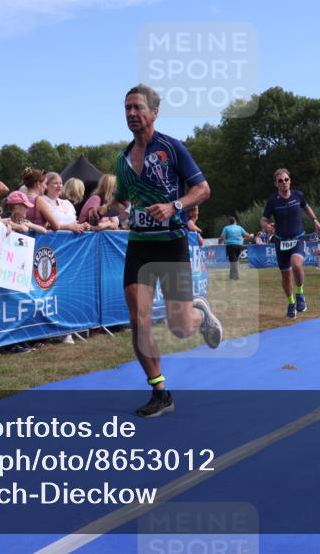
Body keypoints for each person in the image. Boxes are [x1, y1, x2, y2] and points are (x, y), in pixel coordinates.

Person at [113, 84, 222, 418]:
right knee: (138, 319)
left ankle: (199, 313)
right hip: (140, 246)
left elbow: (202, 189)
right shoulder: (122, 159)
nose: (131, 113)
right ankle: (160, 391)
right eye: (127, 107)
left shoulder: (172, 149)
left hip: (171, 243)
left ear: (154, 112)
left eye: (138, 107)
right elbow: (120, 199)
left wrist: (174, 205)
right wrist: (112, 211)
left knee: (180, 327)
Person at [260, 168, 320, 319]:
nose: (284, 183)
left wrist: (315, 221)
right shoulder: (272, 200)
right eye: (280, 181)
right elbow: (263, 219)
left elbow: (307, 208)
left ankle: (300, 293)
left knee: (296, 264)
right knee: (286, 277)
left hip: (298, 239)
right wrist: (266, 226)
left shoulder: (298, 195)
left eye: (286, 179)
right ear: (276, 184)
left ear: (290, 181)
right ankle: (291, 303)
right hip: (280, 241)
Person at [219, 215, 253, 280]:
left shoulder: (226, 228)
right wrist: (250, 235)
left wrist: (221, 241)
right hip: (239, 246)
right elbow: (246, 235)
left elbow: (222, 237)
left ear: (229, 222)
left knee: (233, 261)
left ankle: (235, 277)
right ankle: (231, 276)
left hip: (230, 245)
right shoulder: (239, 227)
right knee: (234, 260)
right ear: (235, 221)